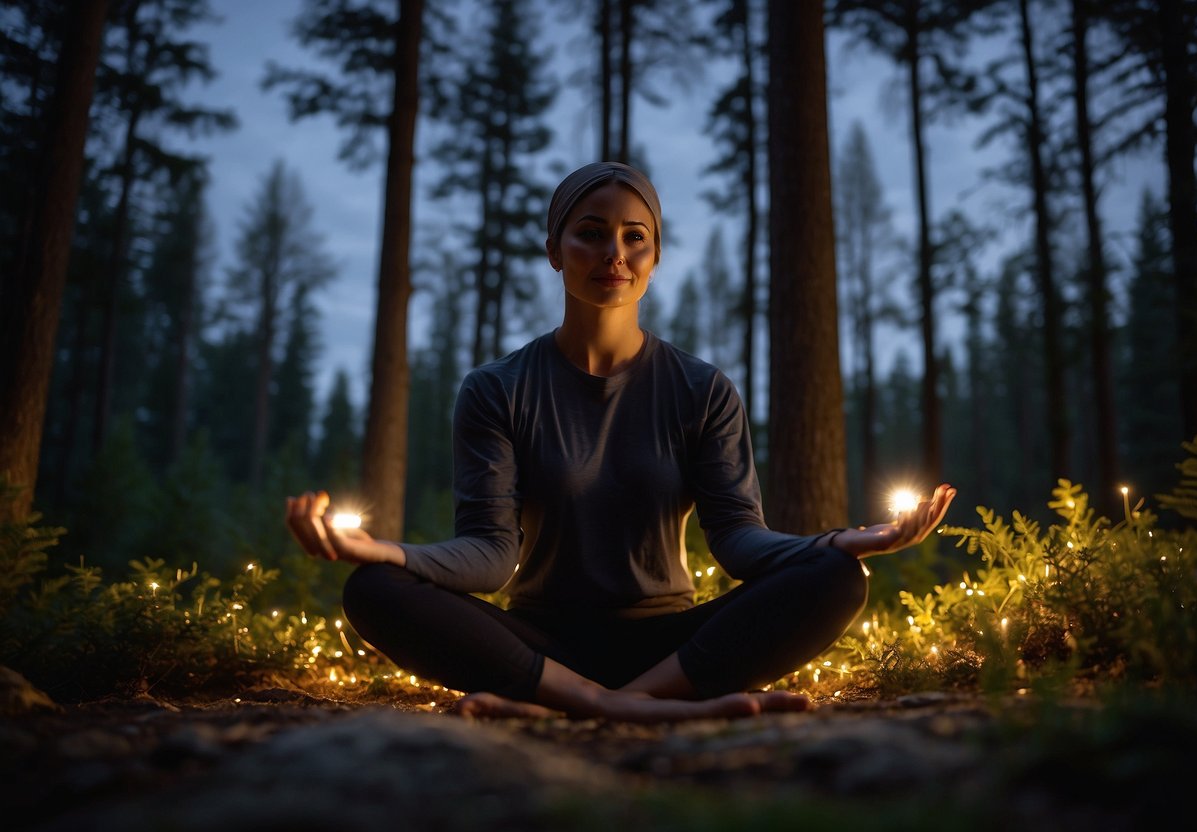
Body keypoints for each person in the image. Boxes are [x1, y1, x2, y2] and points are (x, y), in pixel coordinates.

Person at [286, 161, 956, 723]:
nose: (613, 254)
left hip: (669, 642)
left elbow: (739, 543)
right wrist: (379, 551)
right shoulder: (497, 389)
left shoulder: (701, 389)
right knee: (374, 590)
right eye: (589, 234)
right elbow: (489, 556)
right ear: (554, 250)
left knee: (837, 578)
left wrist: (837, 542)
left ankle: (619, 700)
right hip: (538, 640)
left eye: (635, 237)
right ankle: (603, 700)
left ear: (654, 256)